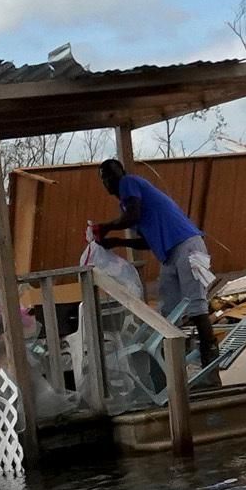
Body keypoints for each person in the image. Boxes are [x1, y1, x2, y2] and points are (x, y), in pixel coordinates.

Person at [96, 156, 221, 369]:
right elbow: (146, 240)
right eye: (104, 178)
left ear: (120, 175)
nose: (108, 181)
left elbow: (133, 216)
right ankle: (176, 367)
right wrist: (117, 241)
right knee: (169, 313)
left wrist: (106, 227)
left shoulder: (130, 183)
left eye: (110, 175)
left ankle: (211, 364)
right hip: (170, 254)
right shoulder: (128, 205)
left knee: (196, 306)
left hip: (187, 246)